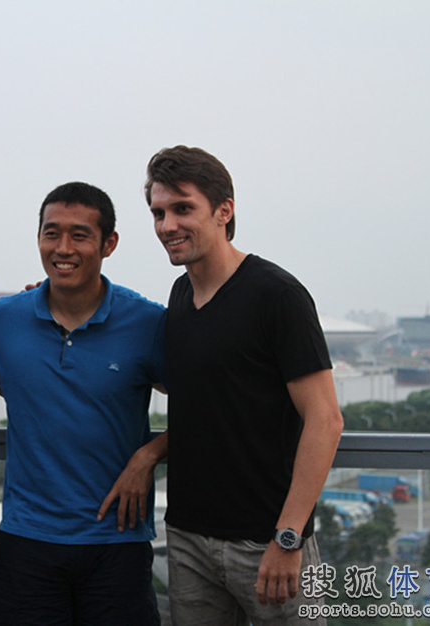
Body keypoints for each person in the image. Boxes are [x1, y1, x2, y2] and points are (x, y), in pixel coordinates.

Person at [145, 145, 344, 624]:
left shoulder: (277, 295)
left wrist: (288, 537)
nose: (167, 225)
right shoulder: (180, 295)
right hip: (188, 539)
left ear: (224, 211)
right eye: (158, 212)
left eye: (183, 208)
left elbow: (325, 420)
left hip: (267, 541)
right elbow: (207, 400)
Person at [0, 182, 165, 625]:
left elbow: (206, 404)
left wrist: (149, 455)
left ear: (108, 244)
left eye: (80, 235)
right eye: (51, 233)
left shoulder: (147, 322)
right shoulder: (4, 318)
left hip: (118, 541)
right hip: (27, 540)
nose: (63, 248)